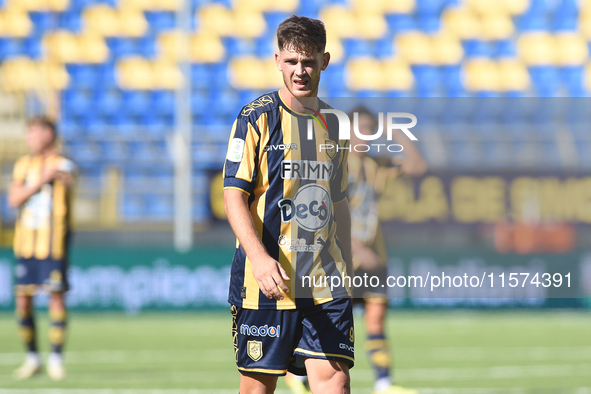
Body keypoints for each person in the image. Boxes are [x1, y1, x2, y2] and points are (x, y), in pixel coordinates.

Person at [223, 15, 354, 394]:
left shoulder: (336, 124)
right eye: (292, 61)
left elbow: (339, 201)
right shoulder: (256, 118)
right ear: (277, 60)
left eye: (309, 62)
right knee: (257, 388)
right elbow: (233, 196)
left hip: (326, 280)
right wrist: (260, 259)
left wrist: (349, 265)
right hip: (267, 283)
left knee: (335, 382)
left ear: (324, 61)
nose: (300, 71)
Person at [286, 107, 427, 394]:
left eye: (369, 131)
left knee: (376, 316)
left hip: (374, 255)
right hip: (341, 256)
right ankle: (298, 374)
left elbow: (417, 166)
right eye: (359, 129)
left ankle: (383, 382)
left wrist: (393, 129)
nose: (364, 137)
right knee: (328, 319)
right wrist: (357, 248)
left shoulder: (378, 165)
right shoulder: (335, 162)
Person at [8, 117, 76, 381]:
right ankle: (32, 358)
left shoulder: (63, 162)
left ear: (49, 134)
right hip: (26, 244)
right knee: (23, 300)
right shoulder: (24, 165)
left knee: (55, 297)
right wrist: (40, 182)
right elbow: (14, 198)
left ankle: (56, 359)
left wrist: (57, 175)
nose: (29, 138)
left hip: (53, 244)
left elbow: (70, 178)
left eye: (34, 133)